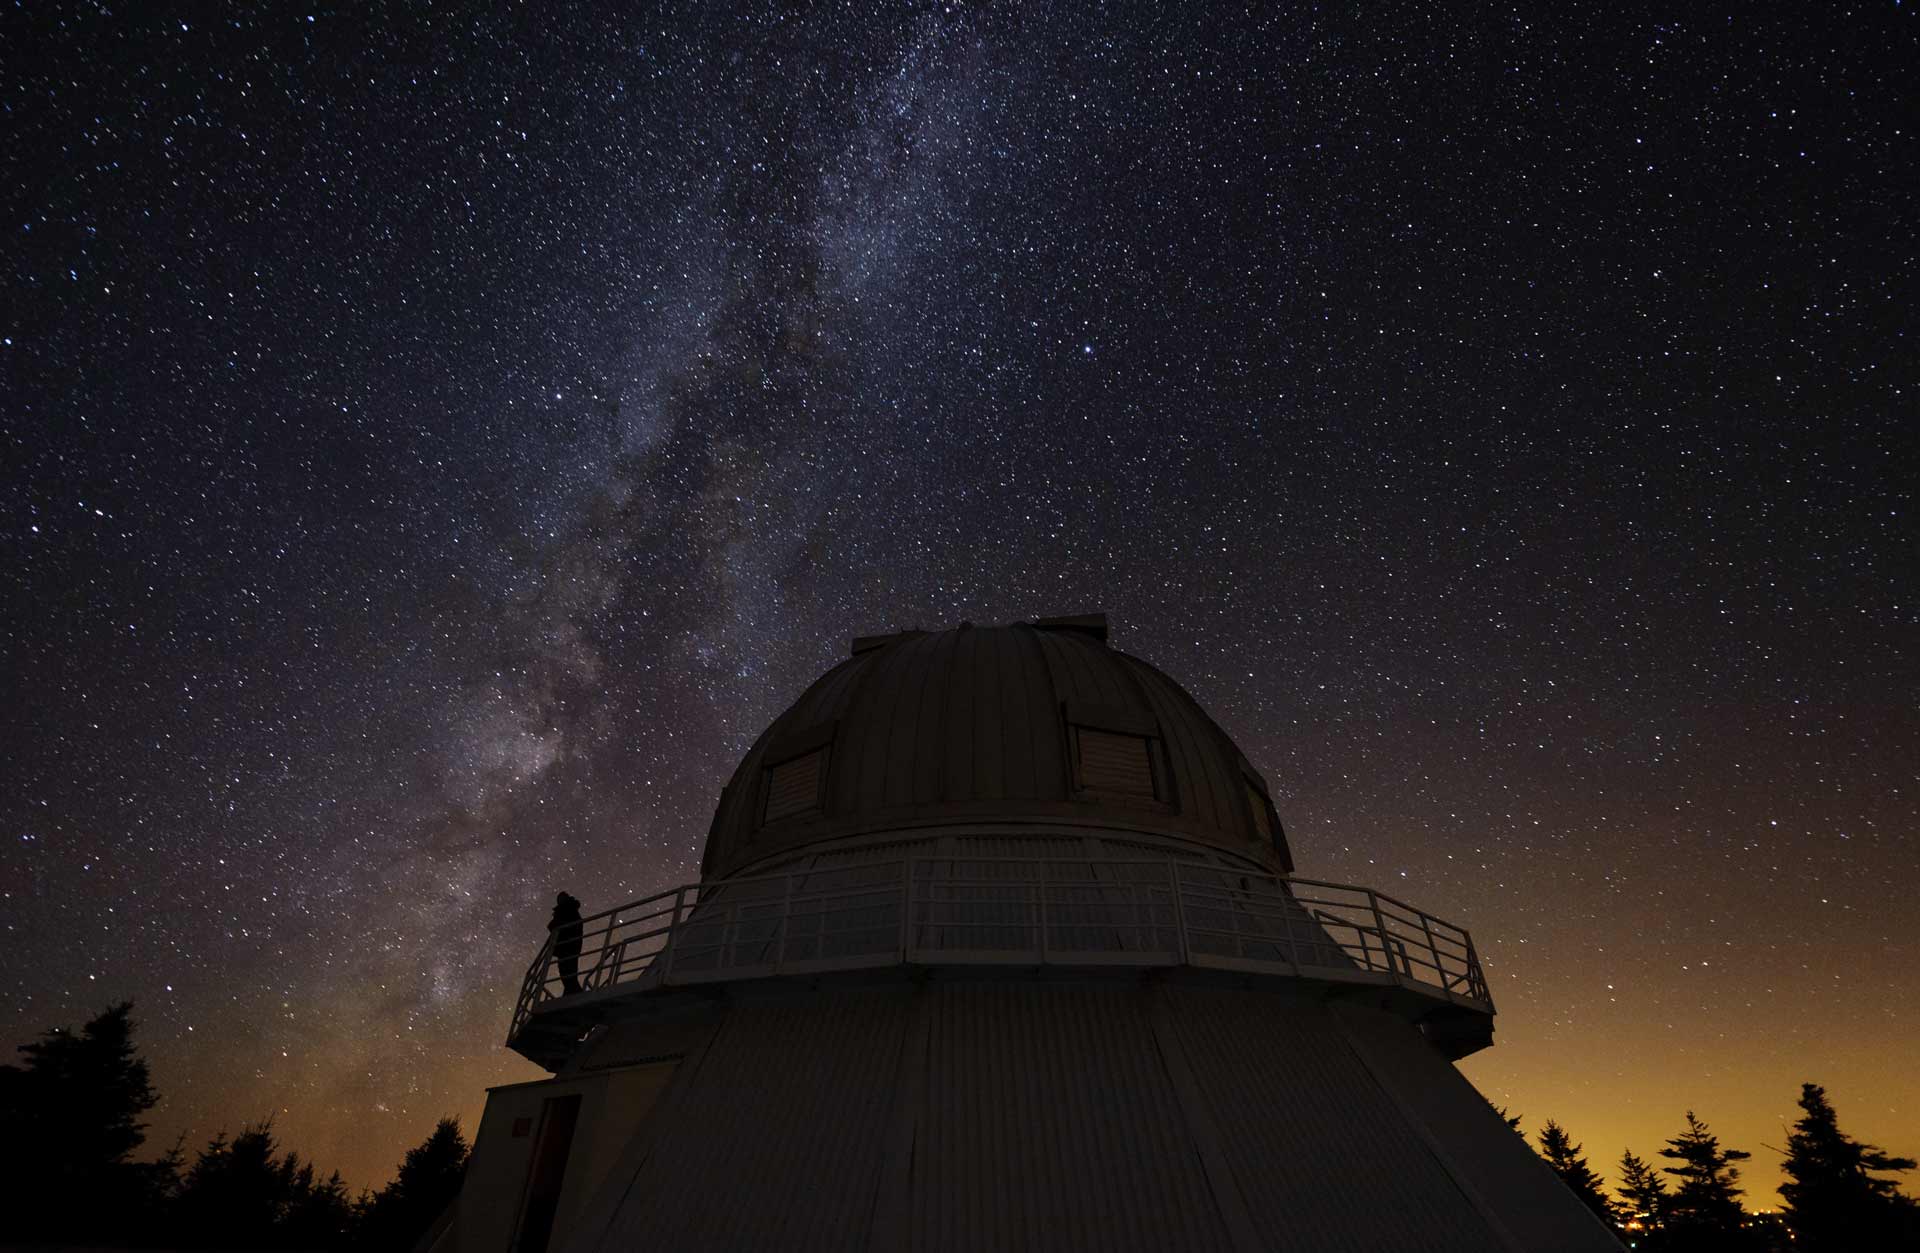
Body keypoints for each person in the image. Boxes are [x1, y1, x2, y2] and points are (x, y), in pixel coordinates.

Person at [548, 891, 584, 995]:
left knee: (567, 972)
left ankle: (573, 993)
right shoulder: (571, 910)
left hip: (567, 947)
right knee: (568, 973)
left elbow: (554, 925)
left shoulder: (567, 910)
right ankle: (571, 992)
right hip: (570, 947)